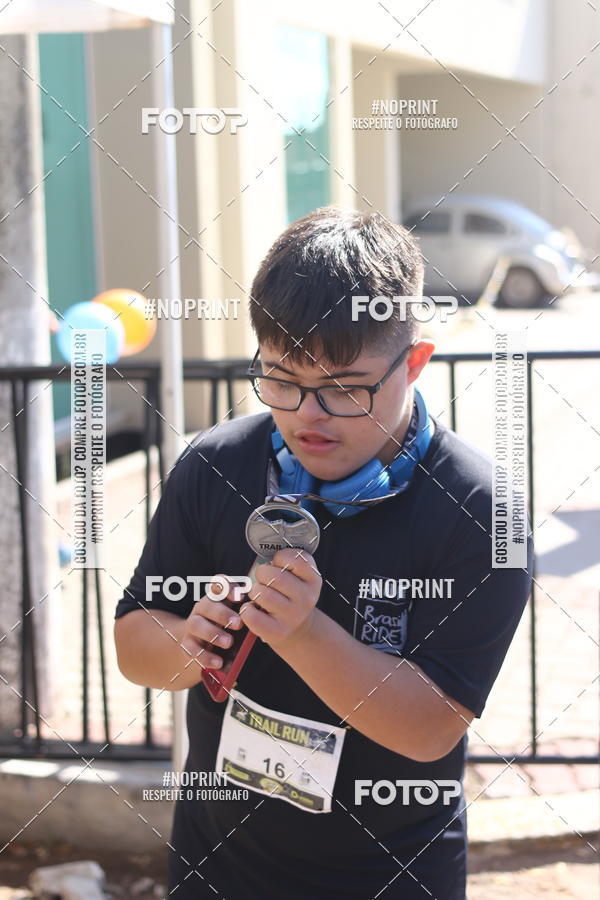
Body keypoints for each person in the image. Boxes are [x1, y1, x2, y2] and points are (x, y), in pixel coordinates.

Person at [114, 206, 533, 899]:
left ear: (416, 364)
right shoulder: (215, 465)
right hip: (216, 868)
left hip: (387, 876)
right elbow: (134, 646)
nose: (308, 414)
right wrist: (191, 642)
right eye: (280, 378)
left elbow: (431, 727)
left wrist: (304, 633)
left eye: (344, 389)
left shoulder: (482, 512)